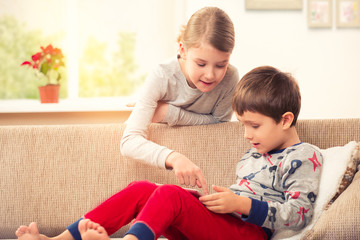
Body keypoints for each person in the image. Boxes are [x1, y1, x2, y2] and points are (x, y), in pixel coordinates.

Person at [16, 66, 323, 240]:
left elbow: (297, 216)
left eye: (254, 126)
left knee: (171, 196)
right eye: (243, 124)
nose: (246, 134)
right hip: (226, 223)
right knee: (143, 190)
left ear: (285, 120)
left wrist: (240, 203)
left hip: (250, 234)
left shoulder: (304, 157)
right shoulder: (255, 153)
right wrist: (219, 202)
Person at [120, 6, 239, 194]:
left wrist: (168, 113)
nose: (210, 75)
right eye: (201, 64)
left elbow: (220, 126)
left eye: (221, 65)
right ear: (183, 50)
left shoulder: (230, 78)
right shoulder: (162, 76)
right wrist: (174, 158)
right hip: (158, 176)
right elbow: (129, 142)